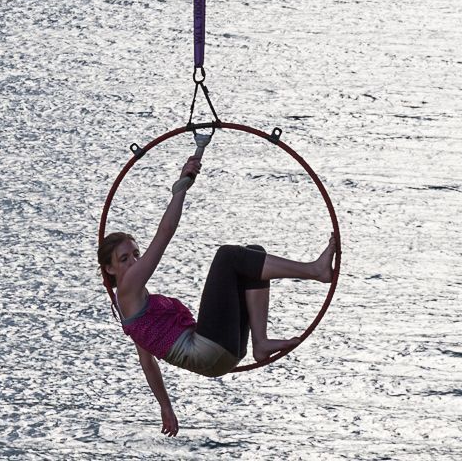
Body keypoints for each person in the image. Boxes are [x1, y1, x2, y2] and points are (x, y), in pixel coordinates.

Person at [98, 151, 335, 436]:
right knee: (227, 257)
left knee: (252, 257)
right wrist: (181, 186)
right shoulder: (128, 288)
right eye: (124, 259)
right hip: (208, 349)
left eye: (135, 254)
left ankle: (261, 342)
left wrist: (165, 406)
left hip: (220, 354)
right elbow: (165, 232)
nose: (134, 262)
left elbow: (147, 363)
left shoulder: (133, 309)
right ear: (109, 269)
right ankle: (315, 271)